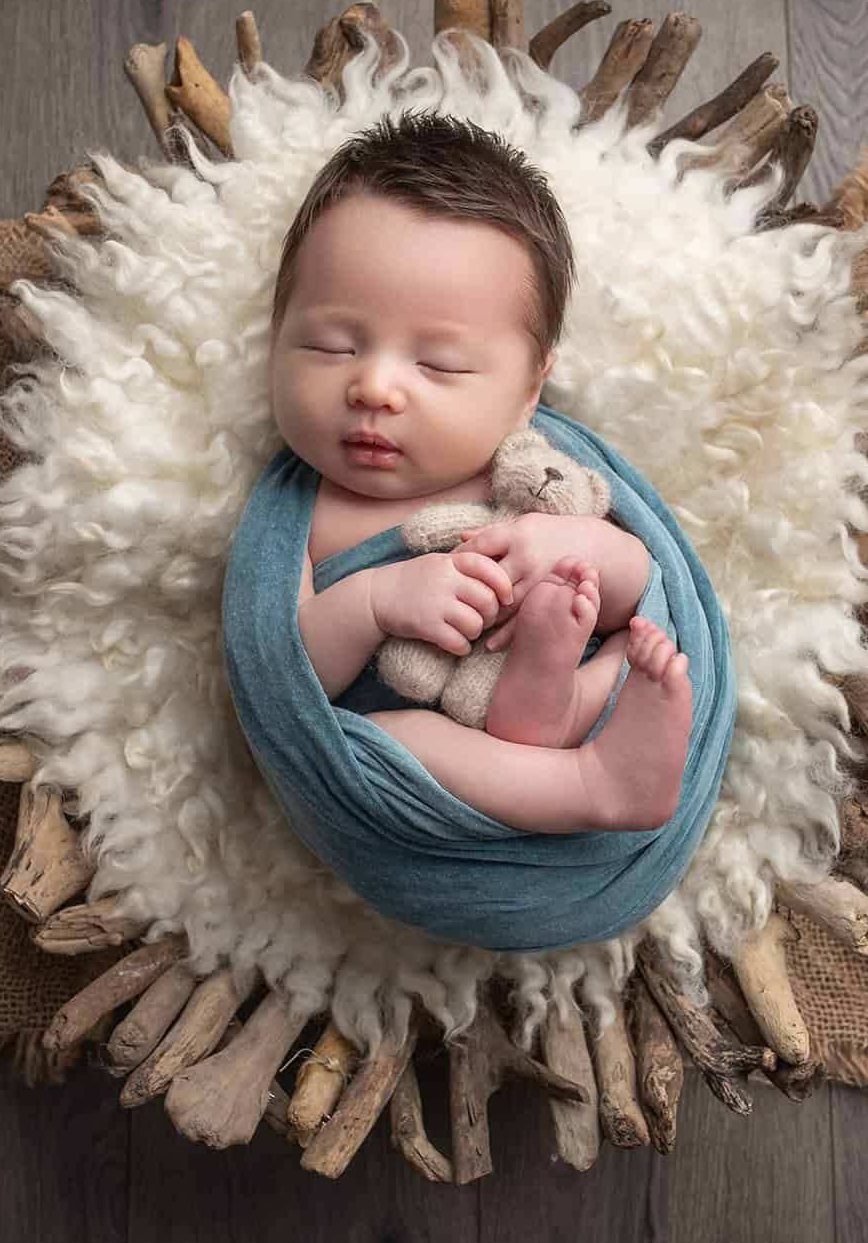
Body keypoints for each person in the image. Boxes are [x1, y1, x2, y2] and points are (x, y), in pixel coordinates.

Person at [267, 109, 693, 834]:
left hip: (575, 701)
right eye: (334, 346)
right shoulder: (296, 517)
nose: (374, 387)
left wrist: (577, 548)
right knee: (397, 739)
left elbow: (646, 583)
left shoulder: (536, 471)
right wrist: (375, 603)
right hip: (434, 795)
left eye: (439, 364)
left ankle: (561, 710)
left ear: (530, 388)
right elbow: (284, 677)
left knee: (640, 647)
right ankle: (588, 784)